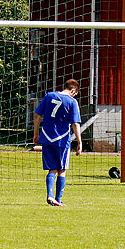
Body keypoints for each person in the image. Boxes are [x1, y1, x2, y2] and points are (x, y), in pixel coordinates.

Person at [33, 78, 83, 207]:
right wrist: (79, 141)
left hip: (47, 138)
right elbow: (75, 123)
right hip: (62, 139)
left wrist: (36, 133)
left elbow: (37, 115)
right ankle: (58, 199)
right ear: (73, 90)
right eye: (75, 93)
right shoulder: (72, 102)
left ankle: (50, 195)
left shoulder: (49, 96)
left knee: (52, 169)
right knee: (62, 169)